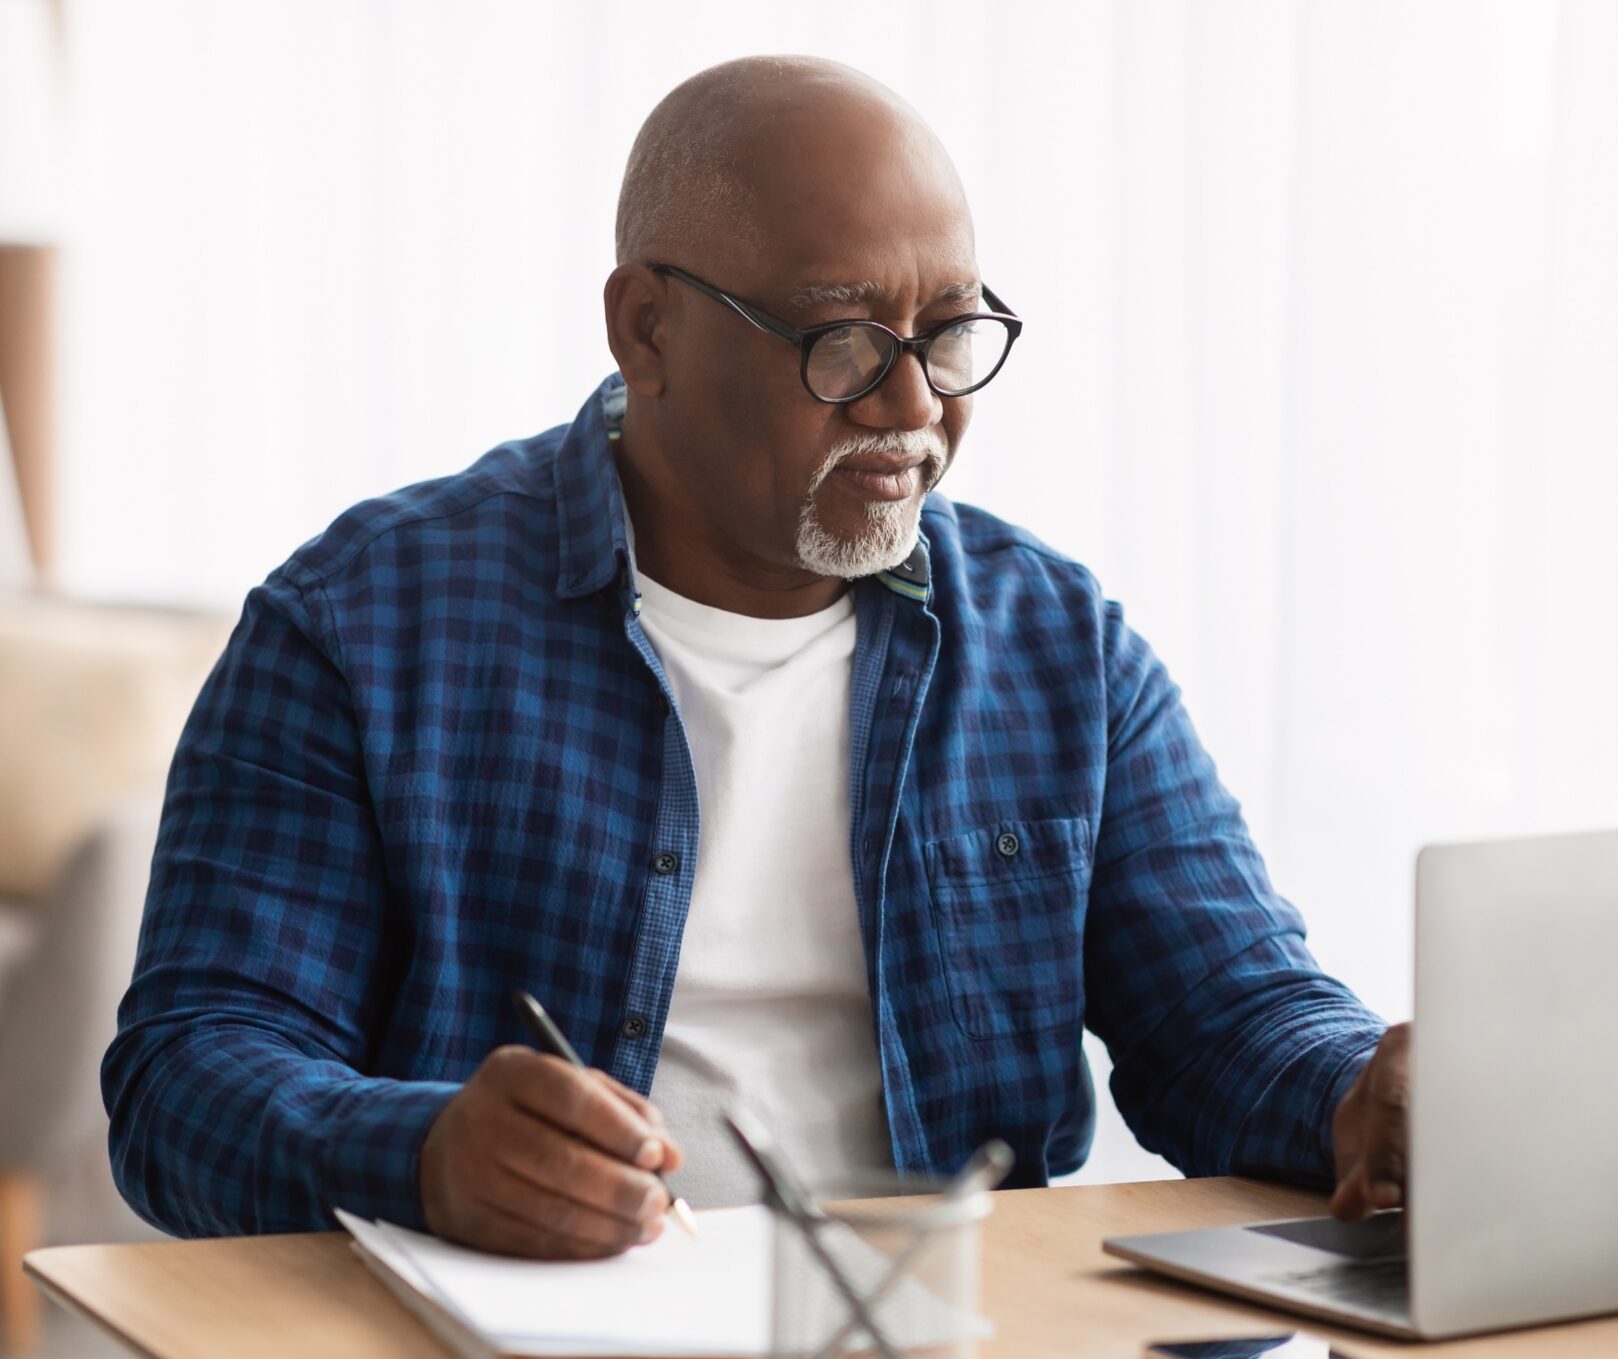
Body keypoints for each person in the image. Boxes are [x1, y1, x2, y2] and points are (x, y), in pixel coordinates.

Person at [103, 55, 1409, 1259]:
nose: (914, 410)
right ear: (648, 330)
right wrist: (428, 1154)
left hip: (947, 1328)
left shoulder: (1053, 642)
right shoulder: (363, 627)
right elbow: (189, 1079)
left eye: (951, 333)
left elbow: (1229, 1017)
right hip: (533, 1326)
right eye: (843, 343)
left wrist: (1366, 1096)